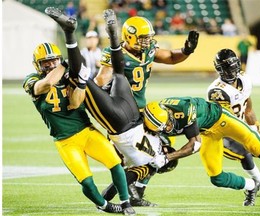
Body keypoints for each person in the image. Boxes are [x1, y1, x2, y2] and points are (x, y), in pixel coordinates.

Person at [44, 7, 178, 209]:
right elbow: (126, 173)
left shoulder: (157, 149)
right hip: (122, 123)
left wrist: (168, 153)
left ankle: (111, 37)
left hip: (130, 113)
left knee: (116, 73)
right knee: (85, 78)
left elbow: (163, 134)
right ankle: (74, 34)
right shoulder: (152, 162)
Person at [23, 9, 136, 216]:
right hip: (65, 140)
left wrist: (82, 83)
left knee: (115, 163)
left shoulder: (68, 77)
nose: (49, 64)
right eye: (45, 62)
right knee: (86, 181)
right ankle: (105, 206)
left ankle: (126, 202)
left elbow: (75, 103)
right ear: (37, 65)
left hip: (86, 130)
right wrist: (64, 64)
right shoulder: (32, 80)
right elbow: (45, 85)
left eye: (53, 60)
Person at [95, 13, 199, 204]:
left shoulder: (149, 49)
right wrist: (106, 85)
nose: (147, 42)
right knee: (134, 158)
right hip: (124, 113)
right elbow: (101, 79)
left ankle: (131, 193)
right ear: (129, 37)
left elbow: (170, 57)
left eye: (148, 38)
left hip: (143, 112)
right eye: (143, 38)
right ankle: (116, 196)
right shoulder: (116, 53)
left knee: (158, 154)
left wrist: (186, 49)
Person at [143, 96, 260, 206]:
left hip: (222, 120)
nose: (168, 127)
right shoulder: (155, 123)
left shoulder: (185, 108)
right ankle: (251, 185)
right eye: (164, 127)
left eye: (168, 123)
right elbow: (165, 142)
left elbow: (195, 145)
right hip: (207, 133)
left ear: (168, 112)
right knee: (217, 178)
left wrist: (168, 157)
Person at [207, 48, 260, 201]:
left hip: (243, 125)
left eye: (234, 65)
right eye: (228, 66)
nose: (232, 69)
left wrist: (254, 122)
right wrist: (246, 131)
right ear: (220, 69)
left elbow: (247, 104)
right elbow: (225, 120)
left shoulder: (244, 78)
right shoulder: (217, 91)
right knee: (246, 155)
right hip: (225, 130)